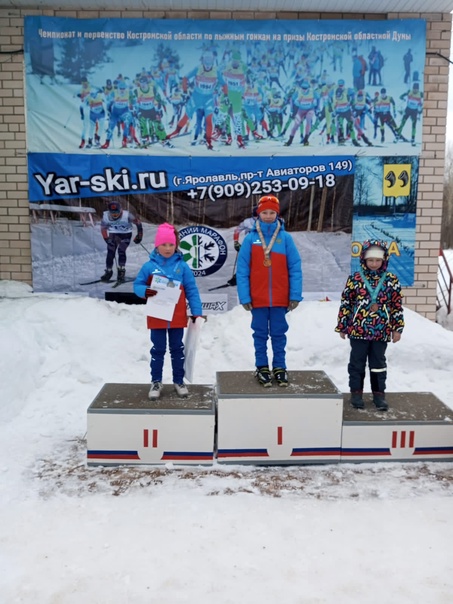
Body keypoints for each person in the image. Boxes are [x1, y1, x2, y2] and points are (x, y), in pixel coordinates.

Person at [236, 195, 302, 387]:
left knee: (279, 334)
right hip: (257, 299)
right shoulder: (250, 239)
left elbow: (295, 268)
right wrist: (245, 296)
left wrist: (295, 295)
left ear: (277, 213)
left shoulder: (285, 238)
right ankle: (262, 366)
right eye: (264, 212)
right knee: (260, 334)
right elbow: (242, 270)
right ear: (258, 213)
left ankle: (280, 367)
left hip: (280, 299)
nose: (268, 216)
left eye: (271, 212)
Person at [133, 223, 203, 400]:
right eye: (164, 244)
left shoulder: (182, 266)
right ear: (157, 245)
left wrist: (196, 311)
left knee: (177, 349)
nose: (167, 248)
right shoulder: (149, 266)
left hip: (177, 317)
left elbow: (192, 290)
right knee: (158, 349)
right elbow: (137, 285)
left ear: (176, 245)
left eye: (171, 245)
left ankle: (179, 380)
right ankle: (156, 381)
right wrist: (144, 291)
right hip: (157, 316)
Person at [335, 240, 404, 411]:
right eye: (370, 260)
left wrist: (397, 328)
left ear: (384, 260)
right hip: (358, 330)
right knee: (356, 364)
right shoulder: (355, 279)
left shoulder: (391, 280)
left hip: (381, 331)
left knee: (378, 364)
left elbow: (396, 306)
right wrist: (343, 325)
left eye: (378, 260)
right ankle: (356, 394)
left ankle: (379, 395)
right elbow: (346, 303)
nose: (374, 263)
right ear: (363, 259)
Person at [100, 201, 143, 283]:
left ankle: (121, 271)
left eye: (117, 212)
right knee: (110, 252)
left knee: (121, 251)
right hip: (113, 234)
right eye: (112, 212)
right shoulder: (106, 216)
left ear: (121, 210)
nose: (114, 214)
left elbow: (138, 223)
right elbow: (103, 228)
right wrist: (106, 238)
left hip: (125, 234)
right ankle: (108, 271)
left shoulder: (127, 215)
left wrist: (139, 235)